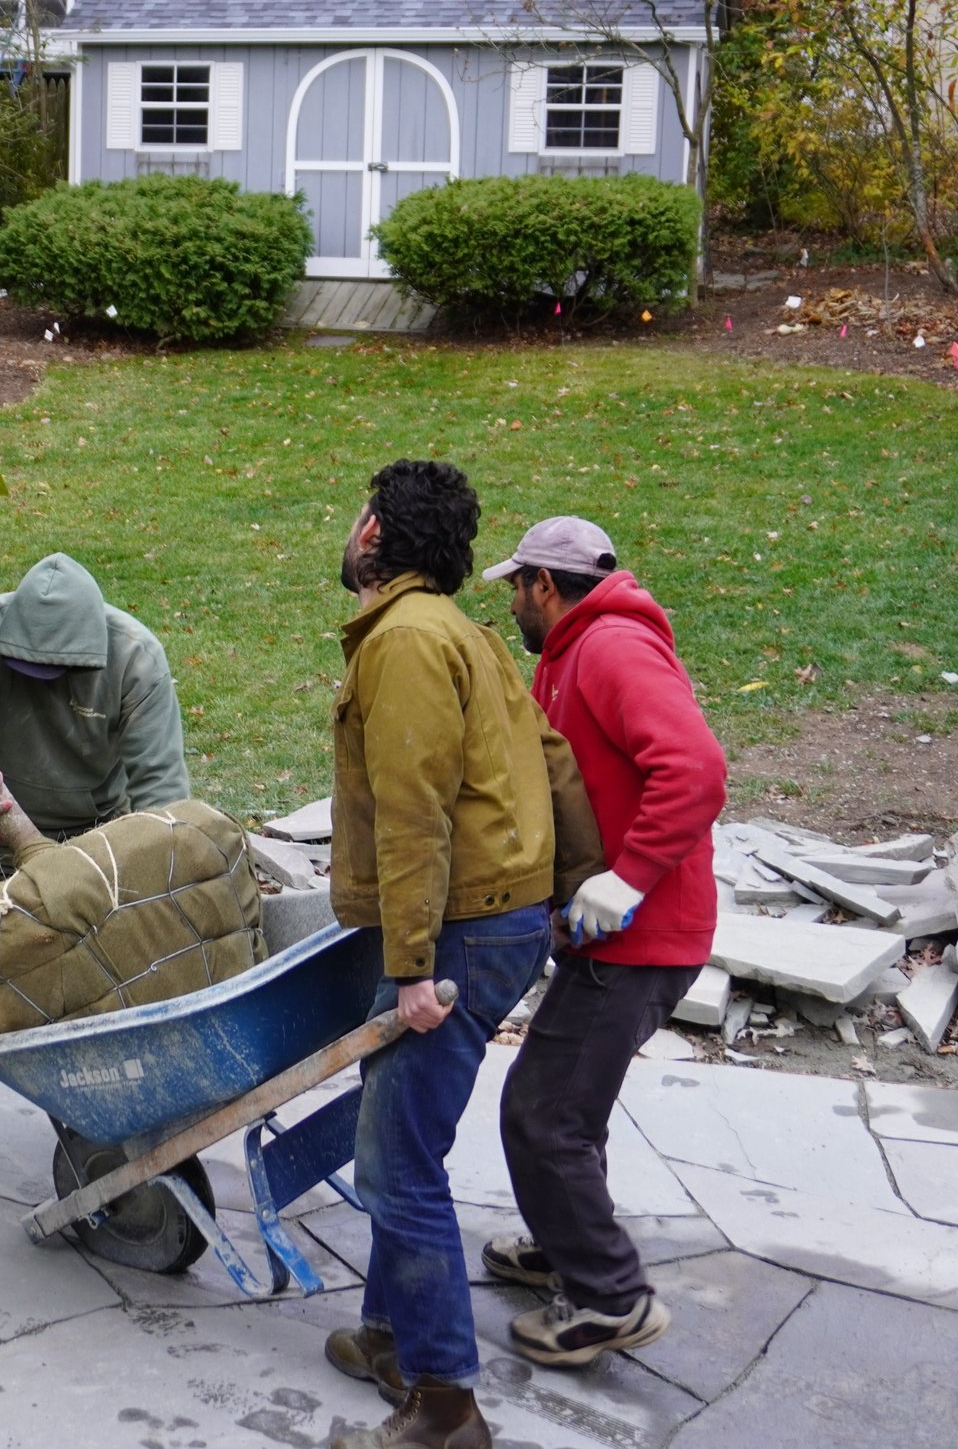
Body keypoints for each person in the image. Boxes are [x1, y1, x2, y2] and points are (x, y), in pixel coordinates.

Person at [321, 460, 602, 1449]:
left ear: (373, 535)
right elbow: (555, 761)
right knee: (400, 1137)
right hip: (501, 921)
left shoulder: (405, 641)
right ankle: (389, 1335)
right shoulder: (465, 634)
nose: (351, 527)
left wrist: (409, 968)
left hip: (457, 934)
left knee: (398, 1163)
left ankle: (445, 1406)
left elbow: (414, 813)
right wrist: (574, 888)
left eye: (358, 514)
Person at [482, 517, 727, 1366]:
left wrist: (627, 879)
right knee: (569, 1107)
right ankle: (567, 1245)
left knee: (542, 1114)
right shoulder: (572, 653)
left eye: (517, 587)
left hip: (643, 937)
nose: (512, 602)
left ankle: (609, 1298)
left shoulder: (613, 649)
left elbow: (695, 769)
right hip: (615, 934)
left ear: (546, 586)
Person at [0, 552, 189, 1173]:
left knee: (94, 979)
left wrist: (145, 874)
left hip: (93, 829)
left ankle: (96, 1119)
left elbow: (162, 793)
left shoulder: (135, 658)